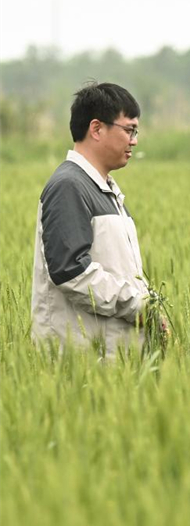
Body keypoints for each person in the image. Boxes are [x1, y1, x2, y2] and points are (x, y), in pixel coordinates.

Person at [31, 82, 151, 358]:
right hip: (81, 363)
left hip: (110, 359)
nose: (134, 140)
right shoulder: (69, 187)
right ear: (96, 128)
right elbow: (71, 271)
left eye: (136, 131)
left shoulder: (104, 189)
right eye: (129, 130)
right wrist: (140, 305)